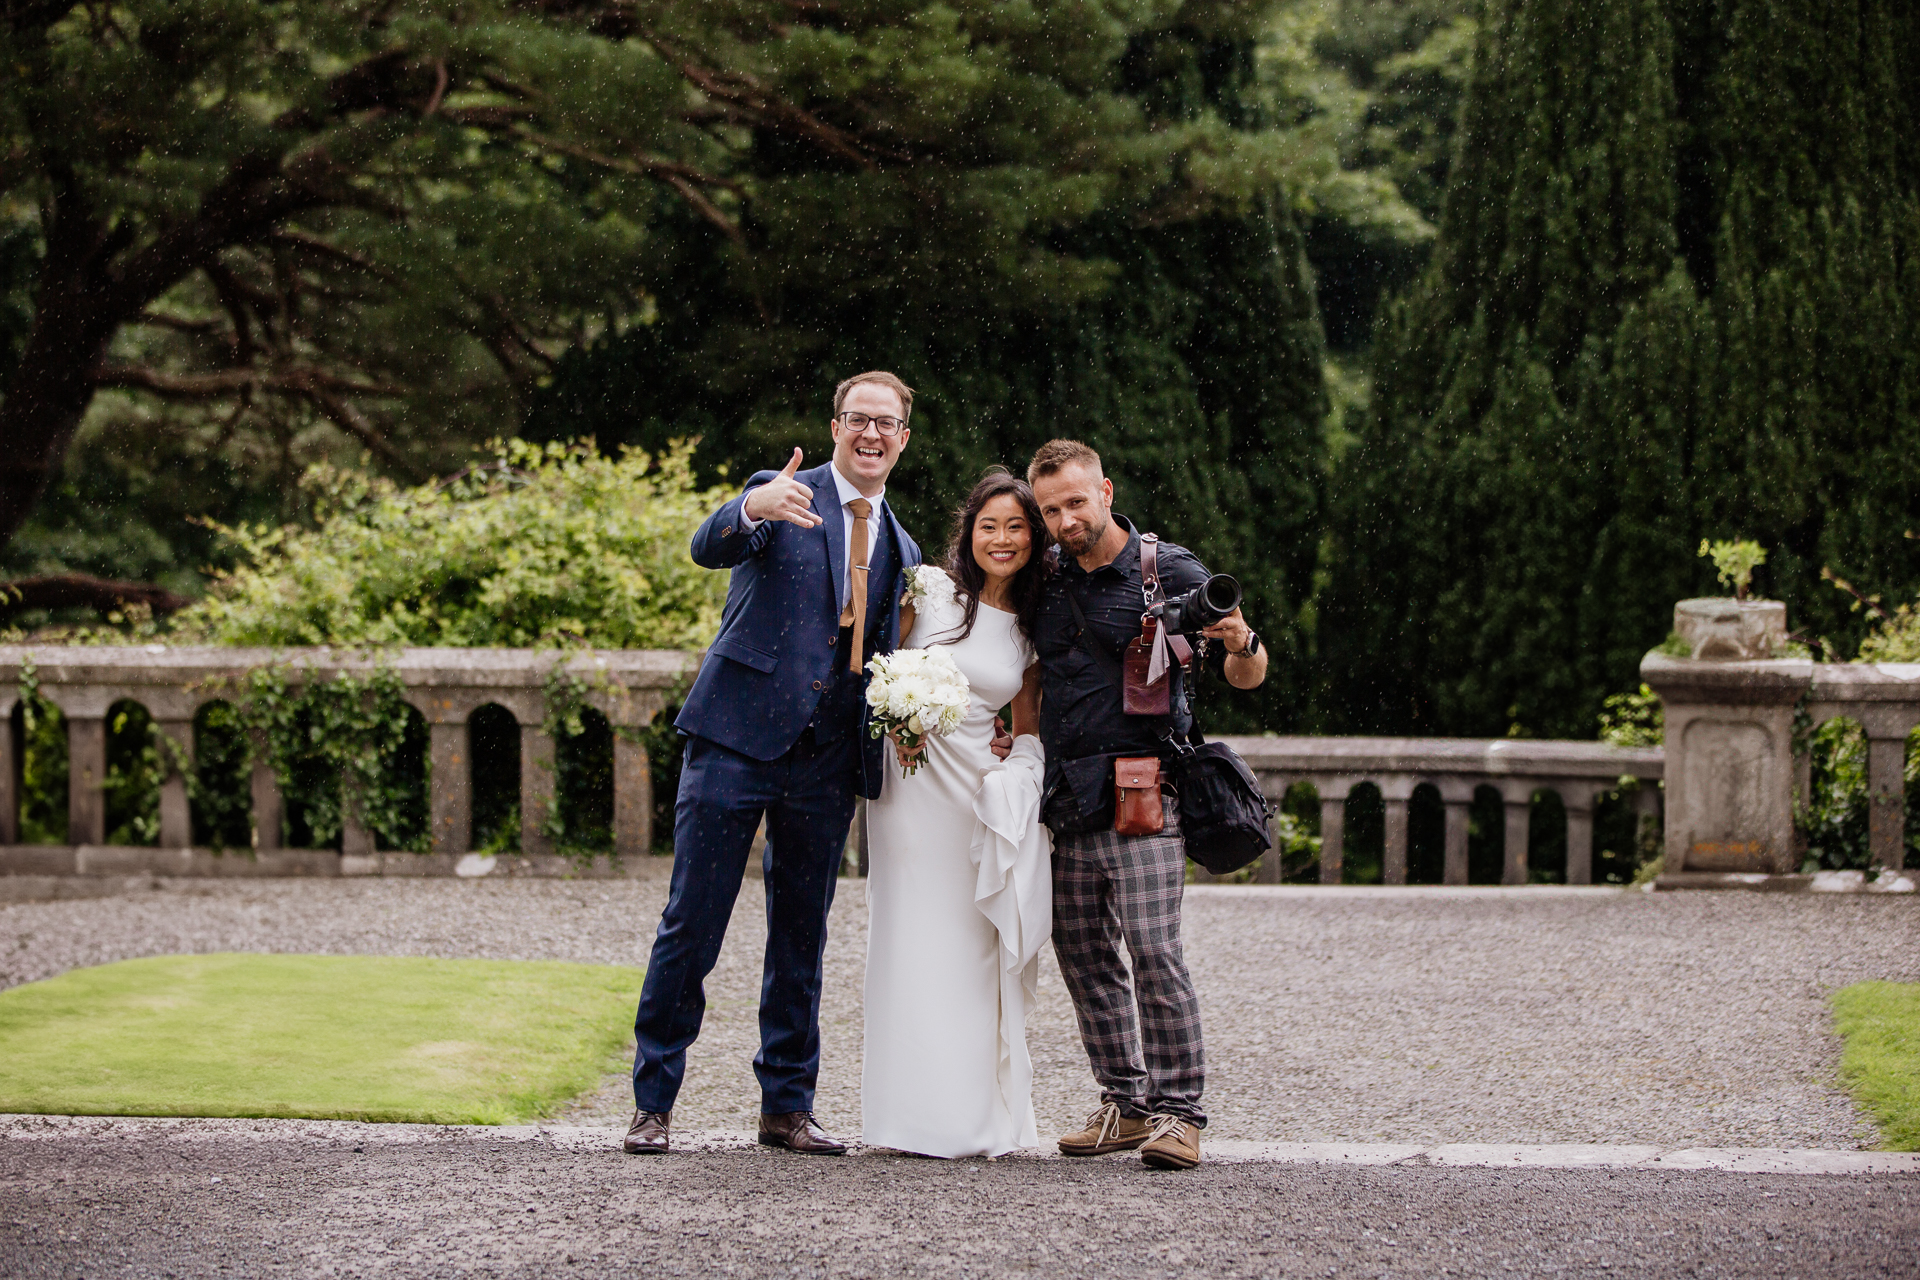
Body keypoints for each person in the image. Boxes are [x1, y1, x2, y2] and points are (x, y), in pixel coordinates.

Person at [623, 371, 923, 1156]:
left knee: (801, 939)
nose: (871, 434)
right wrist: (749, 508)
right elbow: (709, 545)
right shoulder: (781, 492)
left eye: (885, 424)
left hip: (826, 765)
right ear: (834, 426)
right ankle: (653, 1102)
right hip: (734, 742)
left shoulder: (905, 547)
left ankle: (786, 1107)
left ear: (902, 440)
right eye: (858, 418)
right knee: (692, 925)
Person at [1024, 439, 1268, 1171]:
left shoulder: (1171, 571)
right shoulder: (1046, 577)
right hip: (1067, 796)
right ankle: (1125, 1104)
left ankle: (1180, 1113)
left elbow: (1248, 673)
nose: (1066, 518)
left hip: (1147, 790)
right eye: (1051, 510)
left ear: (1105, 489)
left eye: (1075, 501)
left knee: (1155, 951)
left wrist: (1240, 639)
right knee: (1085, 955)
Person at [862, 471, 1053, 1158]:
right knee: (908, 938)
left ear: (1033, 537)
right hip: (909, 793)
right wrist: (895, 715)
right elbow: (874, 668)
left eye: (1016, 527)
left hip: (979, 794)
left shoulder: (1034, 629)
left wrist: (1018, 770)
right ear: (968, 532)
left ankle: (970, 1117)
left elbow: (1027, 725)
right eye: (989, 526)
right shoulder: (930, 593)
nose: (1001, 540)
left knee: (974, 950)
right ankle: (904, 1117)